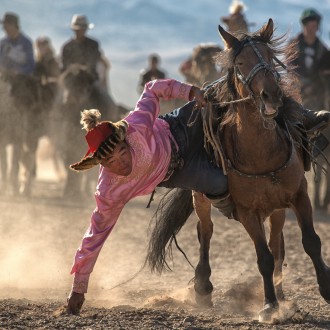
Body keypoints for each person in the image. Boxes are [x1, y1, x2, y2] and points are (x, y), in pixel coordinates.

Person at [66, 78, 234, 314]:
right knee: (221, 183)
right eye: (111, 162)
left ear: (126, 141)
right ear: (101, 164)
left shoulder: (136, 125)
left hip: (180, 126)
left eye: (122, 153)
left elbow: (152, 89)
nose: (121, 164)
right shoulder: (110, 191)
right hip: (178, 171)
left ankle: (299, 120)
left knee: (217, 93)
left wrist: (191, 92)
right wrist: (79, 287)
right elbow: (96, 234)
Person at [290, 8, 328, 110]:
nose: (311, 29)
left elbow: (325, 72)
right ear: (303, 26)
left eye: (314, 26)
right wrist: (303, 85)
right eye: (308, 26)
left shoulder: (323, 50)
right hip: (295, 91)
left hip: (317, 94)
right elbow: (289, 68)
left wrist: (313, 87)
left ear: (318, 28)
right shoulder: (292, 45)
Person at [0, 12, 35, 78]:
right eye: (4, 27)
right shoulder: (2, 43)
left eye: (6, 26)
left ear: (14, 25)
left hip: (22, 80)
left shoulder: (26, 43)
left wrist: (19, 71)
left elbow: (31, 66)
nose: (5, 29)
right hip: (5, 79)